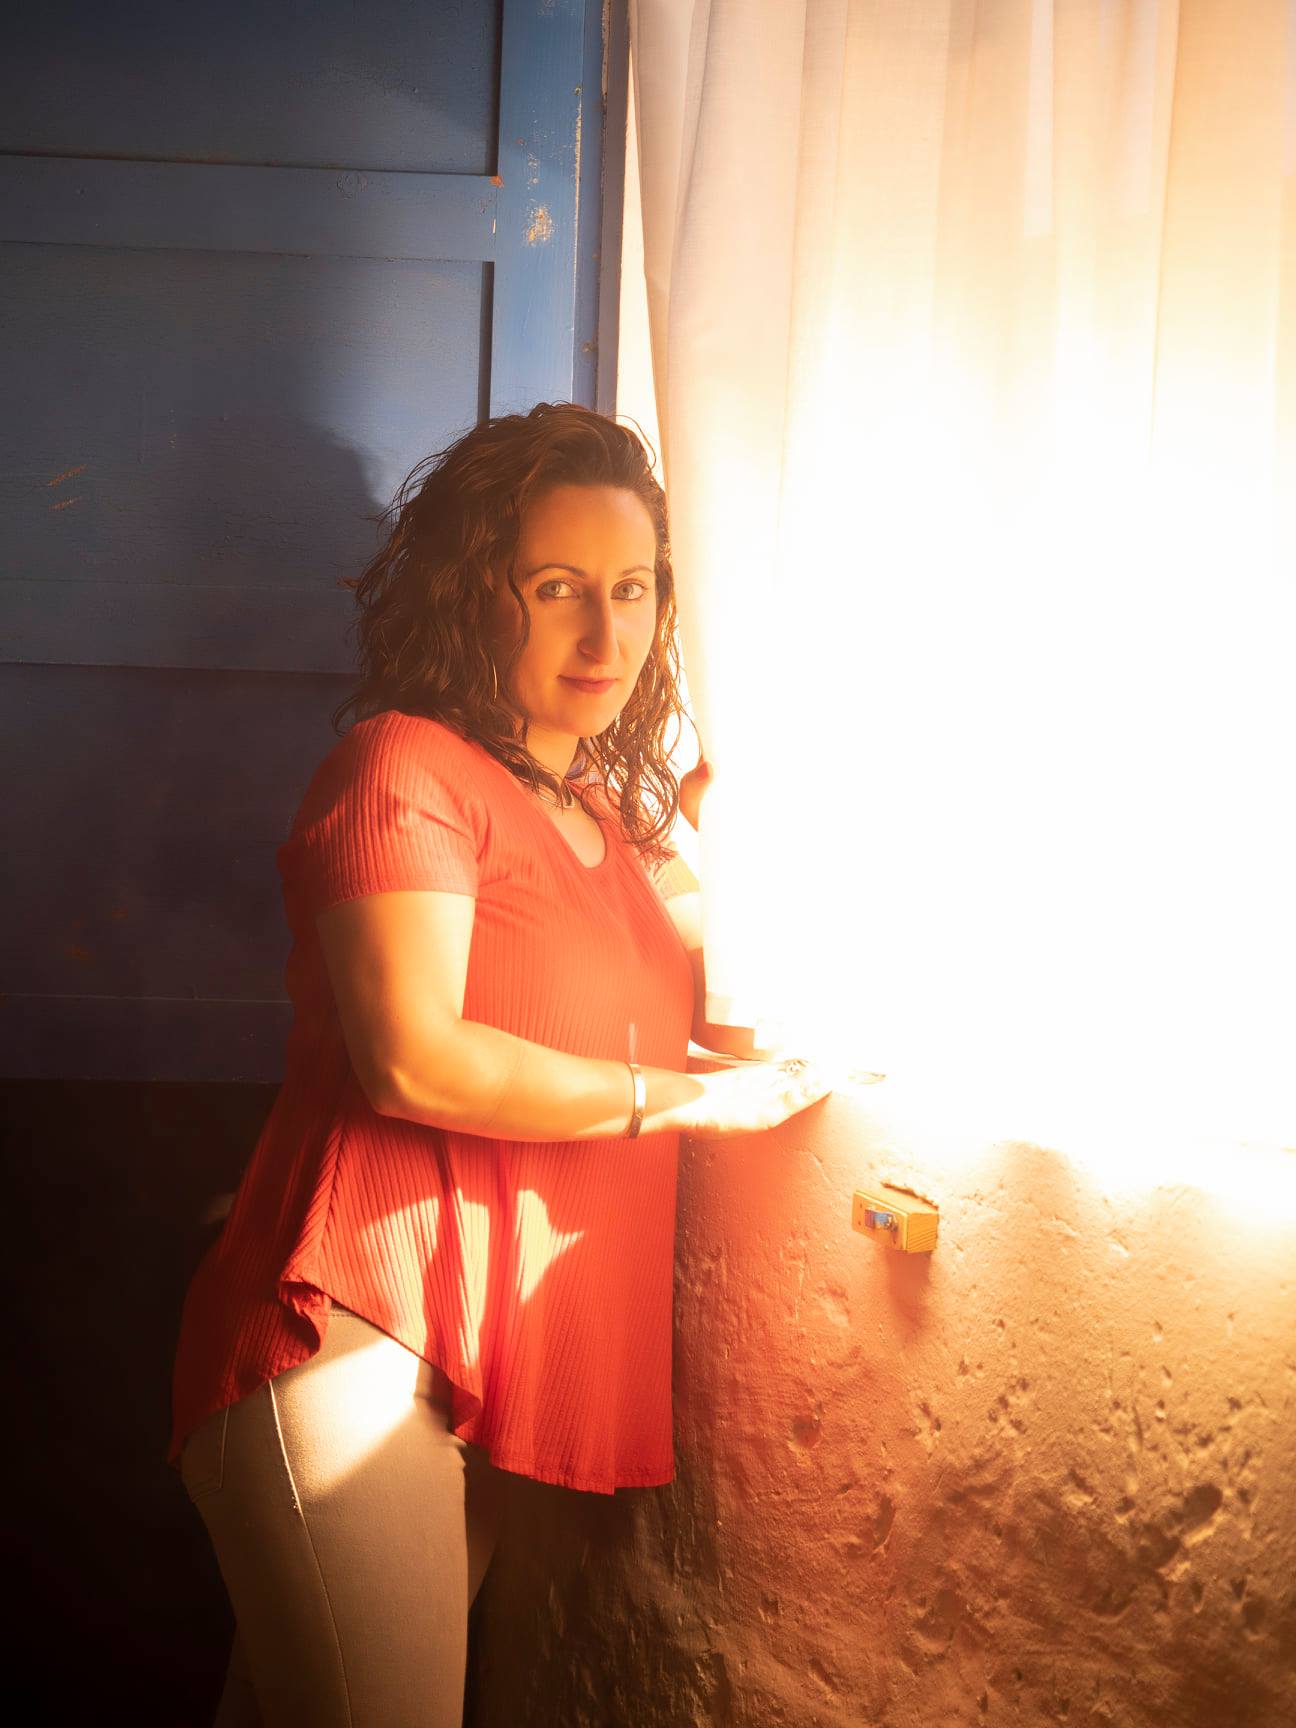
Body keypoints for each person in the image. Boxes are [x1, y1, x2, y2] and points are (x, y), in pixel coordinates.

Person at [170, 401, 833, 1728]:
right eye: (557, 588)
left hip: (472, 1361)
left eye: (632, 589)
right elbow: (415, 1060)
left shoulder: (612, 821)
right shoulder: (401, 767)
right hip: (345, 1336)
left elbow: (755, 1014)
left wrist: (728, 828)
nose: (606, 636)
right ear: (474, 593)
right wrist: (676, 1102)